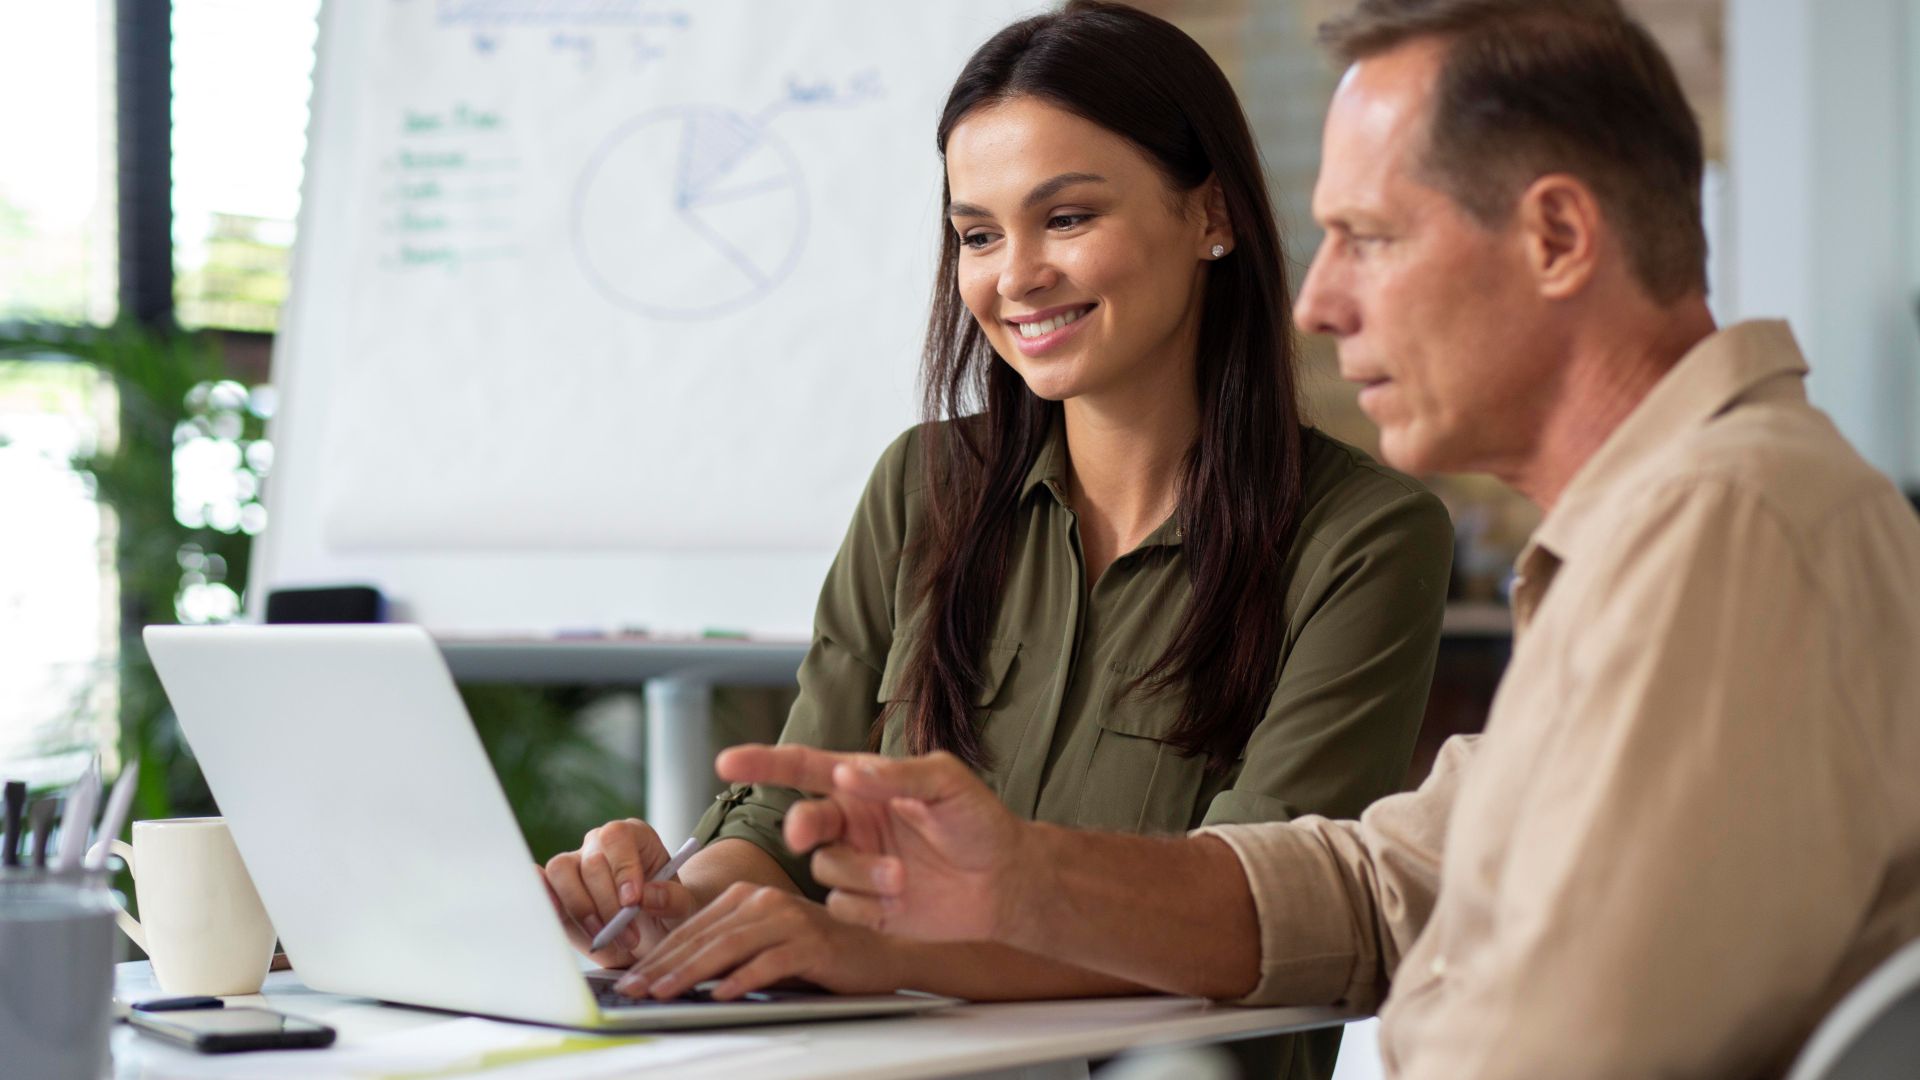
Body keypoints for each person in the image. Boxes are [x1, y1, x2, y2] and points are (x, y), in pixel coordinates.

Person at [705, 1, 1920, 1077]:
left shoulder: (1729, 525)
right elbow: (1379, 886)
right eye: (976, 233)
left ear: (1556, 239)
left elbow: (1567, 1047)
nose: (1320, 301)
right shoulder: (1653, 531)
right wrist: (1022, 884)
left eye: (1373, 237)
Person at [542, 4, 1451, 1076]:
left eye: (1065, 218)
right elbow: (790, 823)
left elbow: (1250, 908)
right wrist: (662, 913)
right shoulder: (922, 488)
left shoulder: (1364, 541)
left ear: (1210, 214)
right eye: (978, 234)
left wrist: (872, 952)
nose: (1014, 275)